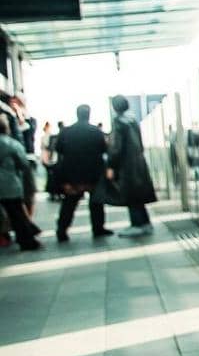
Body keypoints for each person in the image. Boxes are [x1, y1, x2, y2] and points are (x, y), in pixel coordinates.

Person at [53, 105, 112, 241]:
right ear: (89, 114)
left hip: (72, 173)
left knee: (69, 204)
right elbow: (104, 149)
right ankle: (98, 228)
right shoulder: (96, 131)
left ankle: (62, 230)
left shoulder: (66, 131)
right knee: (96, 203)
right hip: (93, 173)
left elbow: (59, 149)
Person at [107, 95, 158, 237]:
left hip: (127, 165)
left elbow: (116, 147)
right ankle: (146, 223)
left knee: (131, 195)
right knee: (139, 195)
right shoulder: (133, 120)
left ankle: (137, 224)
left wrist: (111, 165)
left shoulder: (118, 121)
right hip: (139, 162)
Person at [0, 113, 41, 251]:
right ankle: (27, 241)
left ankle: (5, 237)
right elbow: (23, 163)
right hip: (9, 185)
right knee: (17, 213)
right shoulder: (12, 143)